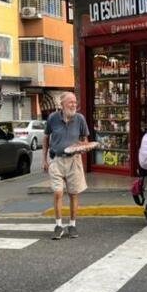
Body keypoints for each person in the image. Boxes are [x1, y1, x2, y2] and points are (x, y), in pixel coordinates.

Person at [43, 92, 89, 240]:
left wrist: (83, 147)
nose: (74, 105)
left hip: (74, 160)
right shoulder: (52, 118)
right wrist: (44, 160)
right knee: (58, 193)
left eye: (75, 102)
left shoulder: (80, 119)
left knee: (73, 193)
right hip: (56, 160)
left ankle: (72, 225)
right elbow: (46, 138)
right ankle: (58, 225)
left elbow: (85, 140)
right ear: (62, 104)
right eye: (70, 102)